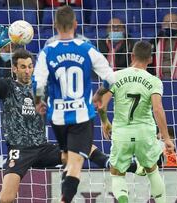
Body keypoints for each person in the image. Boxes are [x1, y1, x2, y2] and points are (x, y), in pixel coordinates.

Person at [0, 25, 139, 203]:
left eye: (30, 66)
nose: (27, 70)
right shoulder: (8, 87)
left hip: (42, 148)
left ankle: (111, 164)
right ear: (14, 69)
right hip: (20, 150)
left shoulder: (40, 88)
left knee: (79, 149)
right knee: (6, 199)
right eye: (23, 67)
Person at [33, 5, 116, 203]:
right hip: (81, 116)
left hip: (58, 118)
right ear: (76, 24)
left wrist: (39, 101)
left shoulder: (47, 52)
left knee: (69, 159)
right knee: (76, 163)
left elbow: (38, 83)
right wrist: (99, 93)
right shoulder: (87, 49)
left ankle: (63, 196)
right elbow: (111, 79)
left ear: (55, 25)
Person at [96, 41, 175, 203]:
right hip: (144, 133)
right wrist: (166, 138)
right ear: (151, 59)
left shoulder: (116, 77)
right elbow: (158, 110)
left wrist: (105, 122)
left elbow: (101, 105)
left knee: (117, 173)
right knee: (152, 171)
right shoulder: (154, 81)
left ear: (132, 56)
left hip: (122, 133)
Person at [149, 13, 177, 80]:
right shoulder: (154, 42)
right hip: (156, 79)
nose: (169, 26)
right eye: (166, 23)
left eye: (173, 23)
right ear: (162, 25)